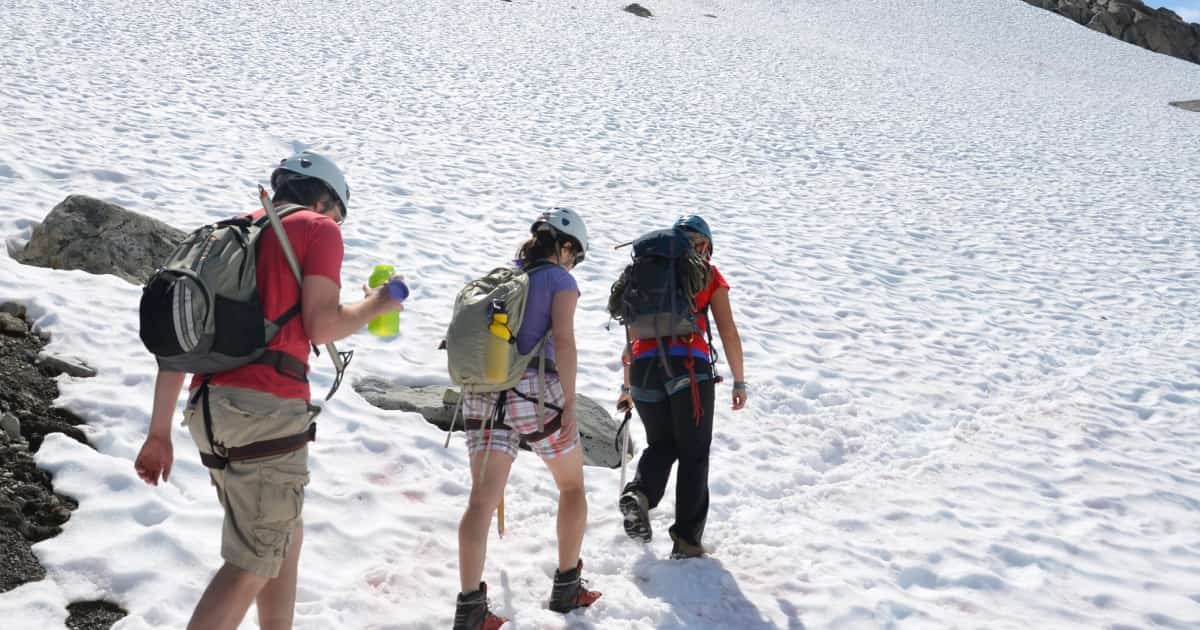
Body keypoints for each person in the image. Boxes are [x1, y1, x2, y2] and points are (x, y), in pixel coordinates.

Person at [134, 151, 404, 630]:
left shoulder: (229, 234)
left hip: (210, 409)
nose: (336, 222)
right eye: (337, 212)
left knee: (282, 539)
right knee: (254, 560)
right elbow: (321, 325)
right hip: (266, 410)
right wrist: (377, 303)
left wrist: (159, 432)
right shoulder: (318, 229)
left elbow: (181, 338)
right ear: (323, 199)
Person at [453, 209, 601, 630]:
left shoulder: (503, 277)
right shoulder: (559, 281)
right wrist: (569, 403)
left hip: (483, 394)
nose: (573, 264)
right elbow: (565, 343)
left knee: (480, 501)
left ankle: (469, 609)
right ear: (565, 246)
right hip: (535, 395)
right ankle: (567, 585)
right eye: (575, 255)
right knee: (572, 485)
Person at [616, 214, 747, 559]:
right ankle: (687, 541)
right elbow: (727, 330)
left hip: (644, 368)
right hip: (687, 367)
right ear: (704, 244)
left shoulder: (645, 275)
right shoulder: (706, 274)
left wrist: (626, 387)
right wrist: (740, 379)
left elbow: (631, 342)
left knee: (661, 444)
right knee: (693, 452)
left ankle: (639, 494)